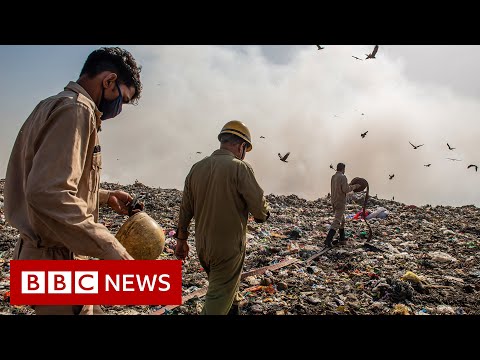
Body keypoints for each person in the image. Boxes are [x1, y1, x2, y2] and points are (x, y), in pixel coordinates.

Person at [4, 47, 144, 315]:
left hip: (43, 255)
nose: (119, 108)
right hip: (53, 261)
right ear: (109, 81)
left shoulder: (52, 104)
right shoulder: (77, 110)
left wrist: (103, 196)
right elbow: (48, 192)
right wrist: (110, 247)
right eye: (122, 99)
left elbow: (49, 177)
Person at [175, 120, 270, 315]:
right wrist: (264, 213)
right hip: (227, 249)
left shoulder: (196, 168)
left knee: (226, 289)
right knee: (217, 299)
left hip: (203, 247)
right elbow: (260, 210)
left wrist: (181, 241)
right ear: (241, 146)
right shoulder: (239, 168)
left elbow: (185, 209)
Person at [325, 162, 361, 247]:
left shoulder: (333, 177)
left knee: (342, 220)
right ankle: (328, 240)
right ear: (343, 169)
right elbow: (345, 189)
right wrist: (355, 186)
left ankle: (342, 238)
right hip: (340, 202)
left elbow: (339, 188)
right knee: (337, 221)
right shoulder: (343, 177)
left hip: (333, 201)